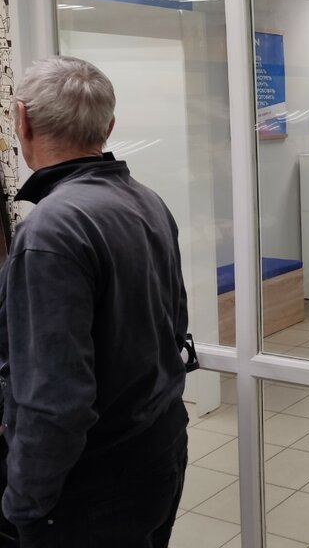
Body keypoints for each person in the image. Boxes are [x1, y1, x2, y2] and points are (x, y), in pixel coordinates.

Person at [0, 56, 189, 547]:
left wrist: (23, 506)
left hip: (91, 487)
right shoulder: (146, 200)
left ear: (21, 120)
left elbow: (54, 399)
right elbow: (174, 328)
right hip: (159, 450)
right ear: (108, 126)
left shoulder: (50, 230)